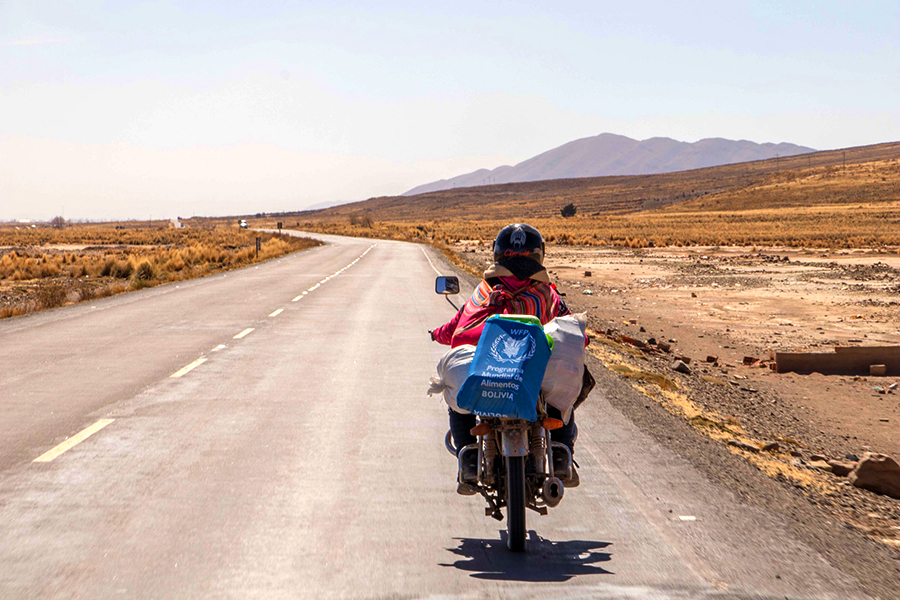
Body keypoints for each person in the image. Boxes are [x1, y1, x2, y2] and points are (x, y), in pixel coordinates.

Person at [431, 223, 581, 489]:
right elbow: (571, 331)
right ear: (539, 255)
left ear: (498, 254)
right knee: (564, 376)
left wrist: (436, 334)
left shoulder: (483, 292)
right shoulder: (548, 295)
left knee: (460, 382)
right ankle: (561, 453)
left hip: (489, 370)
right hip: (531, 374)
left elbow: (458, 327)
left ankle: (468, 456)